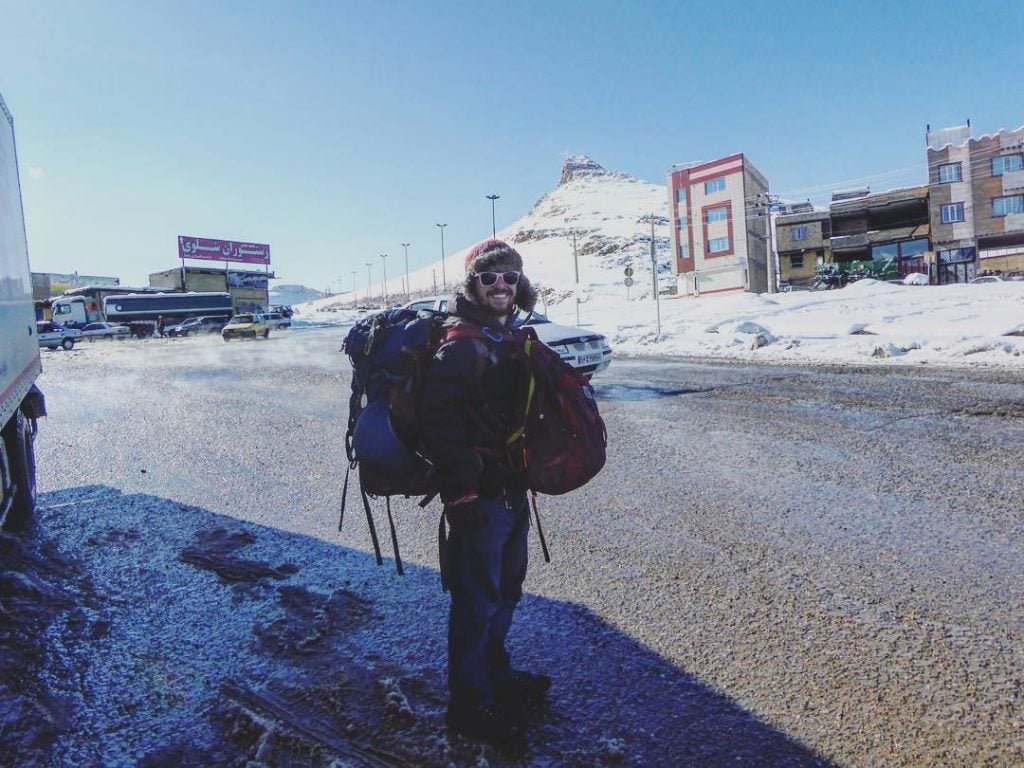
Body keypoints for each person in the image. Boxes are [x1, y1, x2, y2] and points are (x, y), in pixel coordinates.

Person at [418, 239, 550, 753]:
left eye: (509, 277)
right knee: (476, 600)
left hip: (512, 488)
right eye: (490, 277)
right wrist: (463, 492)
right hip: (479, 496)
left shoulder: (506, 334)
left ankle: (494, 676)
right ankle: (468, 705)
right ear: (472, 283)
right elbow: (438, 423)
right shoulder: (462, 344)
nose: (501, 285)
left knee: (506, 590)